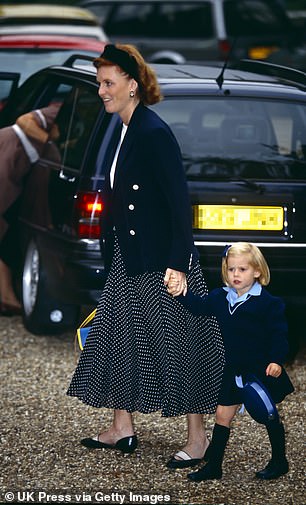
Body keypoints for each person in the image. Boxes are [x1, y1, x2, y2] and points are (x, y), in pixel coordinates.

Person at [67, 43, 224, 465]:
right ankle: (122, 426)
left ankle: (198, 439)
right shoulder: (125, 128)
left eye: (108, 83)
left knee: (181, 343)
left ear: (132, 85)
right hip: (130, 255)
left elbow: (178, 203)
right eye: (100, 83)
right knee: (118, 339)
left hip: (160, 260)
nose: (101, 90)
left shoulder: (153, 132)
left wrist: (178, 265)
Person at [167, 242, 294, 481]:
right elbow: (199, 307)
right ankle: (214, 466)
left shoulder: (268, 304)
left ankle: (279, 460)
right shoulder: (220, 297)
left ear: (257, 271)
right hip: (233, 369)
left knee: (267, 414)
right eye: (231, 269)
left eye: (242, 270)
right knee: (222, 416)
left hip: (260, 370)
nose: (236, 275)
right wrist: (180, 293)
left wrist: (277, 360)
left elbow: (279, 336)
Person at [0, 104, 60, 315]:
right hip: (9, 157)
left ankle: (6, 296)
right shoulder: (61, 109)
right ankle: (6, 297)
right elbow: (24, 121)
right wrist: (49, 141)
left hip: (23, 173)